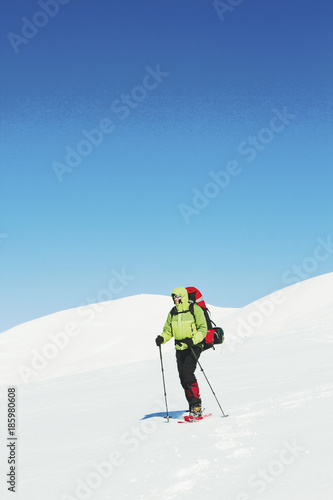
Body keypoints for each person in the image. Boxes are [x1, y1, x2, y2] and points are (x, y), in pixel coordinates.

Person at [155, 287, 207, 417]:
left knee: (188, 373)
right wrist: (162, 338)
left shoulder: (195, 309)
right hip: (180, 348)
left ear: (183, 296)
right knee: (182, 378)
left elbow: (203, 329)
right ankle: (192, 405)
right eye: (174, 296)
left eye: (178, 296)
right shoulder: (172, 312)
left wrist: (193, 340)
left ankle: (197, 405)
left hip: (193, 346)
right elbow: (168, 330)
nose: (175, 299)